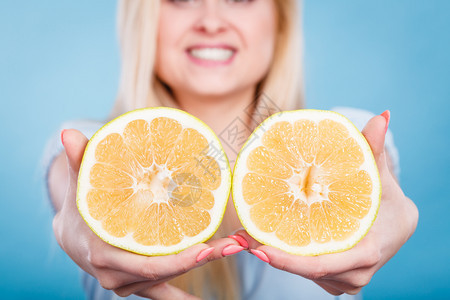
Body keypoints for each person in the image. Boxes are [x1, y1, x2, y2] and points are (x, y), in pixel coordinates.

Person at [44, 0, 418, 299]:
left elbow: (379, 190)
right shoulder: (90, 149)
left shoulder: (349, 138)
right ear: (143, 19)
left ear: (279, 19)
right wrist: (81, 219)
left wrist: (388, 221)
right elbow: (71, 185)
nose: (211, 20)